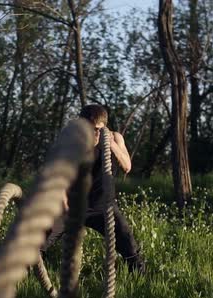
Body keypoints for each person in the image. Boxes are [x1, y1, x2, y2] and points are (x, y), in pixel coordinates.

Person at [41, 104, 145, 273]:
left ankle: (140, 282)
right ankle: (36, 278)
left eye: (97, 129)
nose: (93, 134)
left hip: (103, 206)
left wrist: (109, 143)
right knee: (39, 242)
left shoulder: (115, 138)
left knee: (130, 247)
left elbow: (127, 166)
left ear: (104, 127)